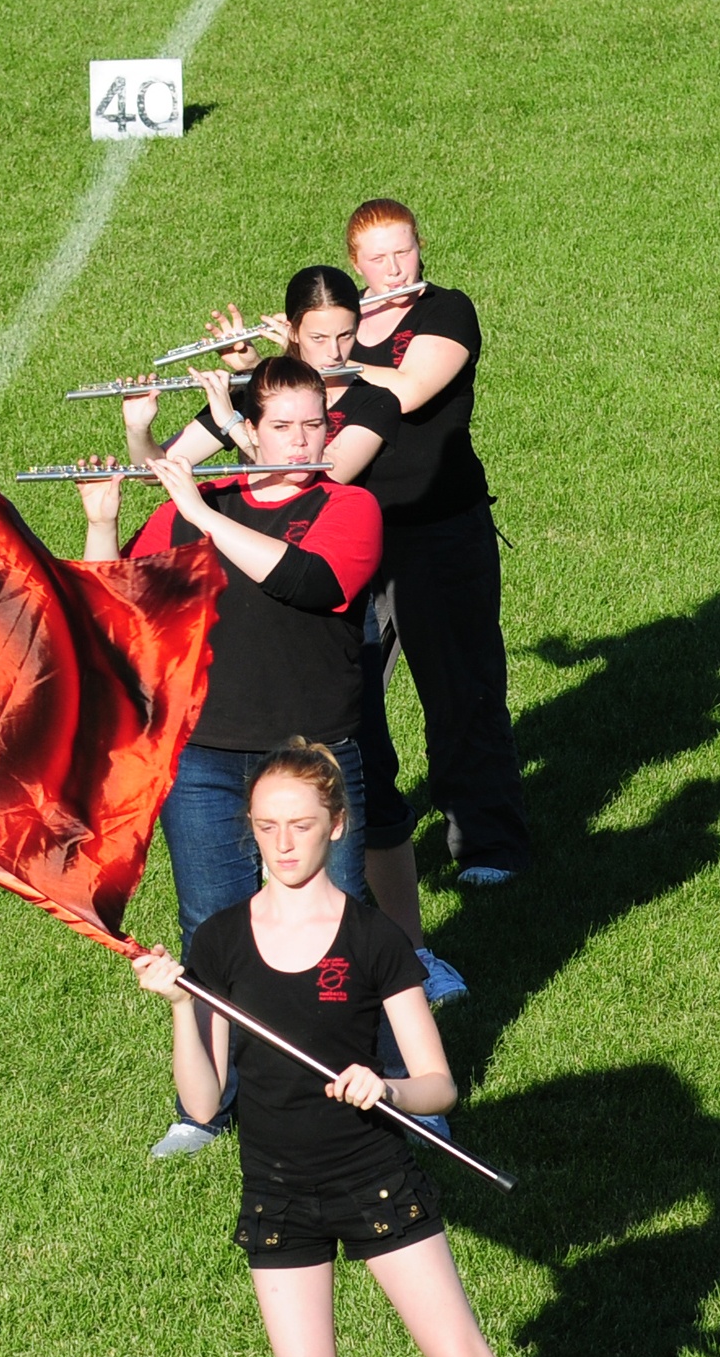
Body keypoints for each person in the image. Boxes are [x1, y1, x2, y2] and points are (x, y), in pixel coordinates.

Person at [129, 743, 656, 1357]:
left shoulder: (370, 941)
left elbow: (441, 1084)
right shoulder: (218, 942)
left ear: (336, 825)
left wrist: (387, 1083)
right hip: (279, 1195)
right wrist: (182, 1001)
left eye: (300, 825)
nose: (282, 843)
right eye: (265, 827)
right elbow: (206, 1100)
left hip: (375, 1180)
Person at [124, 267, 466, 1004]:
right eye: (321, 336)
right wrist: (139, 436)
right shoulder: (222, 475)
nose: (338, 346)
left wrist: (233, 438)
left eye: (346, 333)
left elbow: (307, 561)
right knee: (211, 929)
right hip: (213, 742)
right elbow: (130, 586)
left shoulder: (356, 447)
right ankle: (211, 1099)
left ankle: (405, 965)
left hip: (318, 713)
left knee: (359, 854)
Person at [83, 365, 385, 1162]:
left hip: (314, 756)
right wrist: (105, 516)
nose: (300, 440)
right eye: (281, 426)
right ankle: (207, 1103)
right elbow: (120, 603)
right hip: (209, 760)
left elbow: (309, 581)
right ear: (247, 434)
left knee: (342, 924)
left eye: (312, 424)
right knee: (212, 930)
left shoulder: (348, 506)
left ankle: (378, 1087)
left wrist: (197, 514)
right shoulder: (201, 510)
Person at [336, 198, 531, 886]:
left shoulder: (446, 311)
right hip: (354, 535)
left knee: (462, 689)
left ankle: (488, 843)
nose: (394, 268)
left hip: (440, 530)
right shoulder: (340, 325)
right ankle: (351, 842)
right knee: (345, 698)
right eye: (378, 258)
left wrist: (325, 360)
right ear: (355, 263)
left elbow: (411, 391)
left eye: (405, 252)